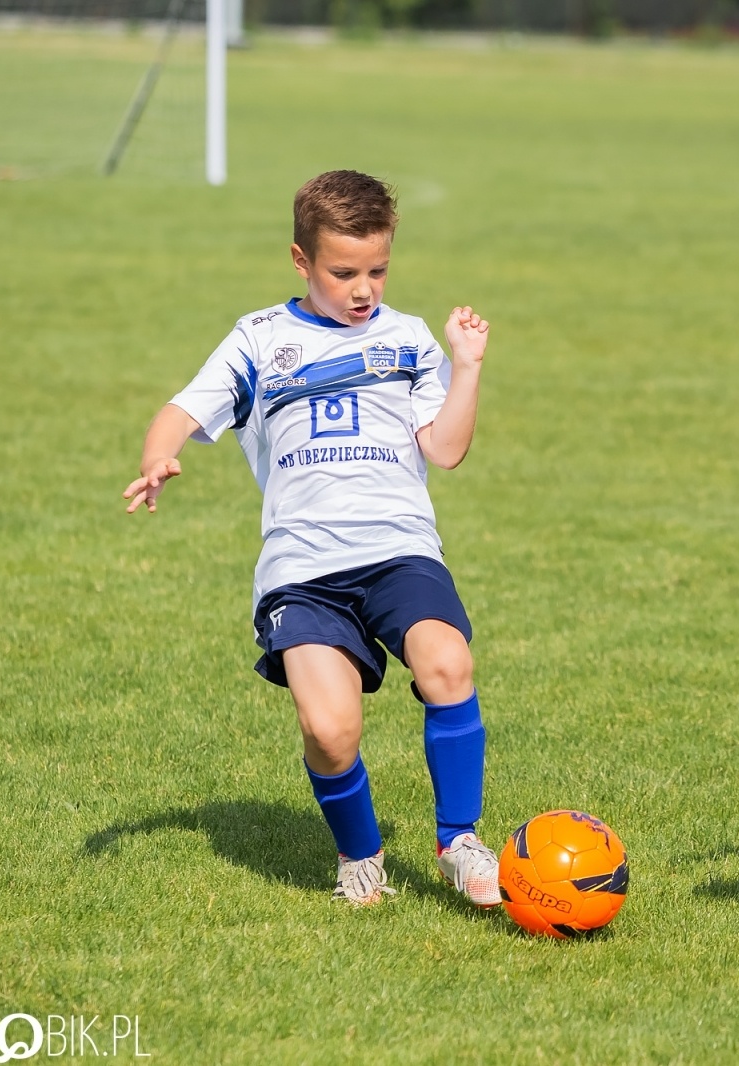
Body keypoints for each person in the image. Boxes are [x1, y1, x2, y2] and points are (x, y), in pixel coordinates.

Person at [123, 170, 500, 908]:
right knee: (330, 731)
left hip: (398, 548)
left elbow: (446, 450)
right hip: (303, 567)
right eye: (343, 272)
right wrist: (157, 453)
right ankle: (360, 858)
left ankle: (459, 841)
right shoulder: (260, 339)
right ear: (301, 261)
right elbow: (183, 408)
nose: (364, 289)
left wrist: (468, 368)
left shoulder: (408, 338)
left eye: (378, 270)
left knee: (447, 664)